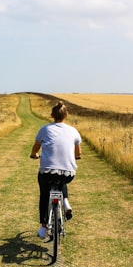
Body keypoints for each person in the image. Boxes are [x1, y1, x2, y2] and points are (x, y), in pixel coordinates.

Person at [30, 101, 82, 239]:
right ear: (66, 115)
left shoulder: (45, 129)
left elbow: (35, 148)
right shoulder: (73, 131)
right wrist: (74, 157)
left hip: (47, 171)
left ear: (52, 115)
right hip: (68, 173)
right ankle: (65, 202)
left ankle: (43, 227)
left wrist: (34, 154)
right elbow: (78, 153)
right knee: (61, 178)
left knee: (44, 193)